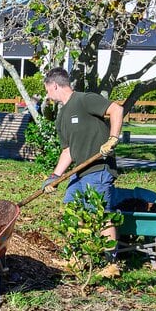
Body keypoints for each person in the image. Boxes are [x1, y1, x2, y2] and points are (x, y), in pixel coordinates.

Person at [44, 68, 139, 207]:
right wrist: (55, 177)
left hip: (98, 169)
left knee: (100, 218)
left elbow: (117, 110)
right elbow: (67, 151)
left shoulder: (84, 99)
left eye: (47, 90)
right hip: (79, 171)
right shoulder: (61, 116)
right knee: (72, 211)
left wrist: (112, 139)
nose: (48, 95)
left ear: (54, 86)